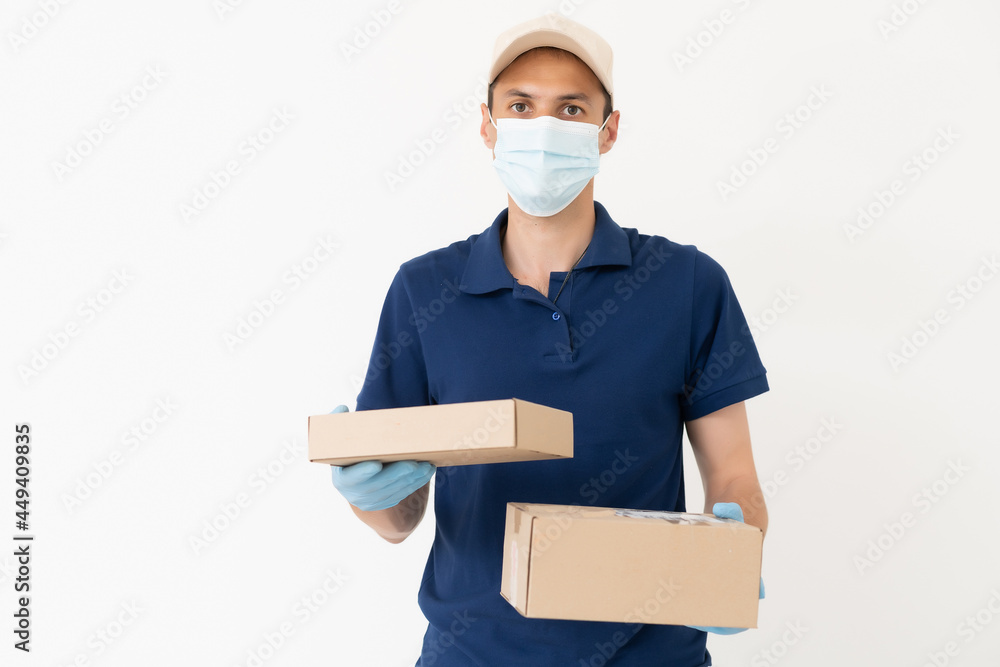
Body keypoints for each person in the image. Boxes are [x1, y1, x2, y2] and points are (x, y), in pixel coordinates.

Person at [330, 13, 770, 666]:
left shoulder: (687, 284)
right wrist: (373, 494)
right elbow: (400, 521)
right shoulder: (426, 291)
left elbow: (734, 471)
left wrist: (734, 559)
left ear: (607, 129)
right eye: (520, 105)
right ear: (487, 125)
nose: (543, 129)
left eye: (570, 108)